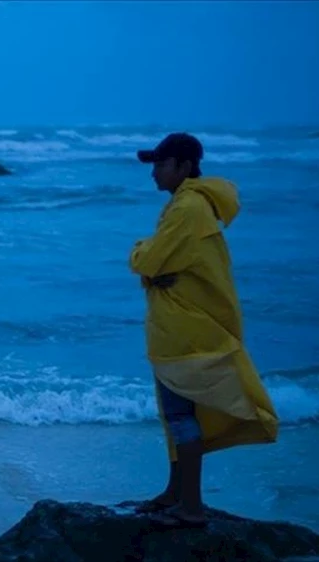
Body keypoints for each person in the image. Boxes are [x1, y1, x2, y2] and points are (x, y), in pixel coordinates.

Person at [128, 133, 279, 528]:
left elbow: (149, 261)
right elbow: (164, 263)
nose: (154, 173)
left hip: (186, 328)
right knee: (175, 414)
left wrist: (140, 250)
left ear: (183, 166)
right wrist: (156, 266)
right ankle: (175, 492)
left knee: (180, 416)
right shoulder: (190, 205)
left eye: (161, 165)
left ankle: (191, 507)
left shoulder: (188, 208)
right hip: (184, 324)